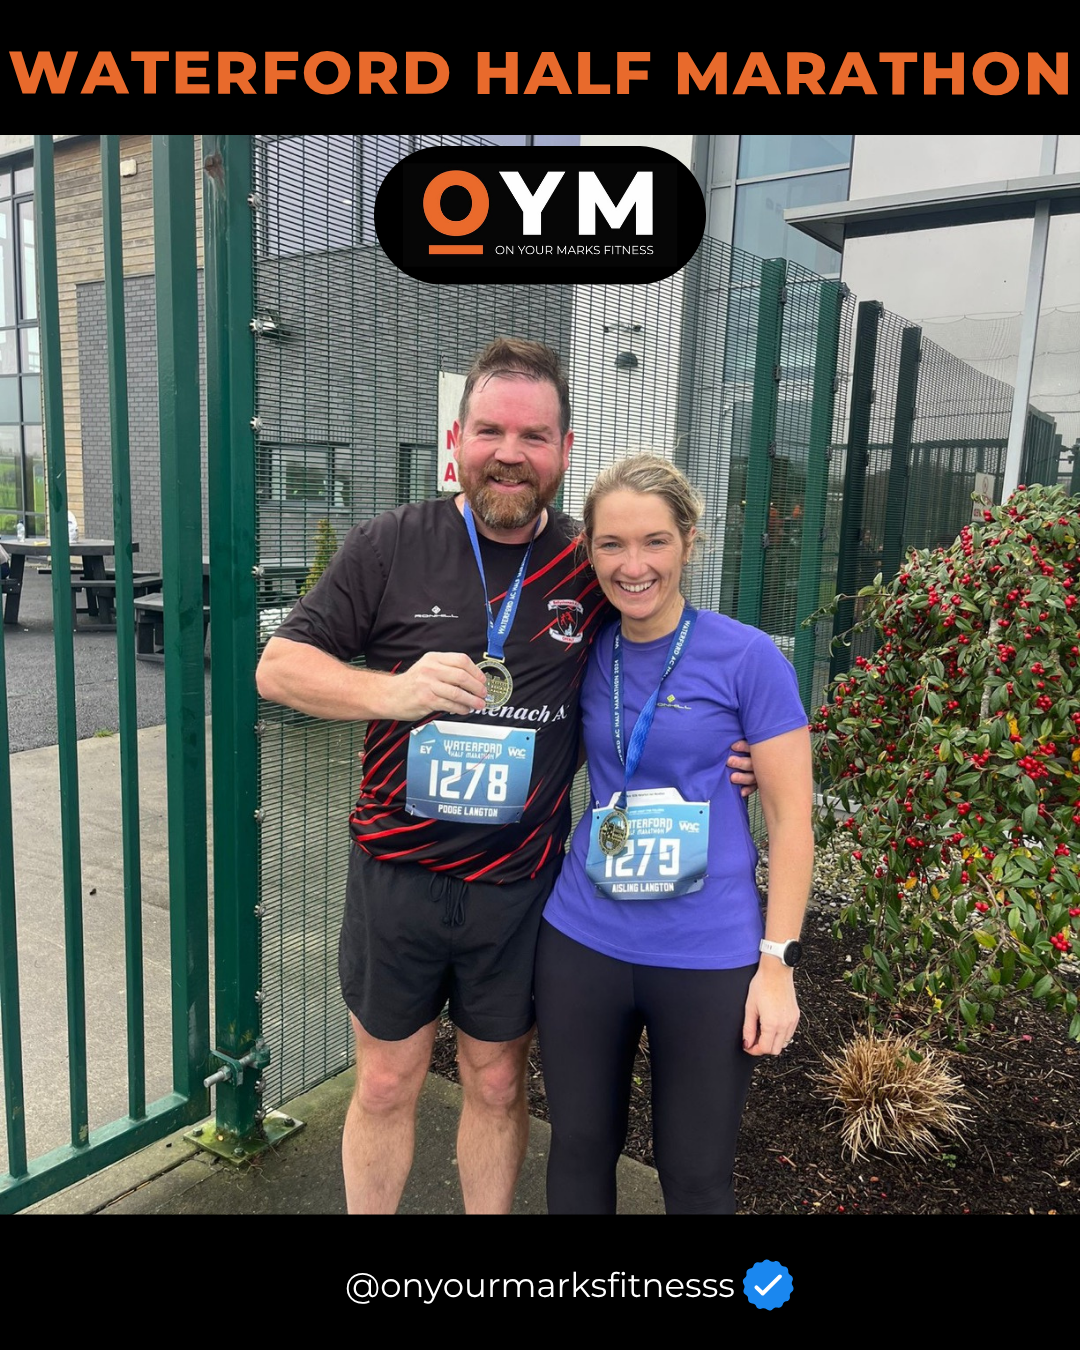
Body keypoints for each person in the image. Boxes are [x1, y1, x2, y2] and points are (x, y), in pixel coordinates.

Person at [255, 338, 757, 1214]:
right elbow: (278, 668)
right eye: (490, 430)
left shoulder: (588, 562)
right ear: (458, 441)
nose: (510, 452)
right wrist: (393, 689)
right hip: (396, 874)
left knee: (495, 1084)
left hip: (521, 886)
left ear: (564, 450)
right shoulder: (390, 545)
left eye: (534, 435)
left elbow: (663, 641)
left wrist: (729, 747)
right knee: (383, 1083)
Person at [534, 453, 813, 1215]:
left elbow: (794, 824)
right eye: (612, 545)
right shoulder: (581, 649)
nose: (633, 566)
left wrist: (778, 964)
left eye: (654, 541)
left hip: (709, 953)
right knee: (579, 1150)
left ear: (691, 541)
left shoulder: (749, 657)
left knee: (695, 1177)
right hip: (583, 939)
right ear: (587, 550)